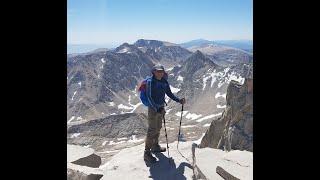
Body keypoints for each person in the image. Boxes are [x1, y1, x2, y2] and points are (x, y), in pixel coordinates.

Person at [144, 64, 186, 163]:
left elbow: (169, 93)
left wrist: (179, 100)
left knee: (158, 128)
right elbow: (149, 97)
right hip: (153, 109)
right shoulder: (150, 82)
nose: (160, 73)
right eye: (158, 71)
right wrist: (156, 108)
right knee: (152, 130)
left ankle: (155, 146)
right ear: (153, 72)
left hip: (161, 108)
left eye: (161, 71)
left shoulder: (164, 81)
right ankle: (147, 153)